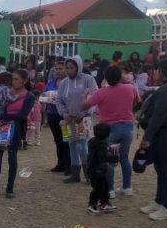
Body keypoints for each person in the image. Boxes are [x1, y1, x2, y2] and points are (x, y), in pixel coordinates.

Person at [138, 59, 167, 221]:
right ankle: (159, 201)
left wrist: (147, 138)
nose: (155, 72)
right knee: (160, 168)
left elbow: (158, 117)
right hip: (166, 132)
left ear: (165, 72)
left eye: (158, 70)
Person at [0, 70, 35, 199]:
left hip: (15, 129)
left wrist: (1, 116)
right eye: (12, 79)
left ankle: (10, 188)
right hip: (1, 127)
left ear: (25, 81)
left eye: (16, 79)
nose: (13, 82)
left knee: (12, 159)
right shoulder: (6, 91)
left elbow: (22, 115)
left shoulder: (29, 96)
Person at [83, 66, 138, 198]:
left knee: (108, 160)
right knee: (124, 158)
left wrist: (85, 96)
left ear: (105, 77)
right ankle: (127, 187)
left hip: (109, 129)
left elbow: (86, 106)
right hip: (127, 127)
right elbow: (136, 102)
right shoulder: (130, 88)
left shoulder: (102, 92)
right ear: (120, 76)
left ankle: (110, 189)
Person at [57, 55, 98, 184]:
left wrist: (84, 112)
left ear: (78, 67)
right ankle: (75, 174)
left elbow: (95, 97)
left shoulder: (88, 79)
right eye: (67, 68)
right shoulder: (64, 83)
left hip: (83, 120)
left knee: (82, 146)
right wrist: (64, 114)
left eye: (72, 68)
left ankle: (89, 174)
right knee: (71, 145)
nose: (69, 71)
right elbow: (59, 100)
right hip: (68, 120)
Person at [86, 123, 120, 215]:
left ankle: (104, 204)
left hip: (95, 169)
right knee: (98, 188)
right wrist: (115, 157)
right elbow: (103, 157)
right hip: (97, 170)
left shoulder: (93, 141)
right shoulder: (101, 144)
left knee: (104, 187)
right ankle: (91, 205)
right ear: (107, 134)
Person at [44, 61, 71, 174]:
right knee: (58, 139)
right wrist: (48, 98)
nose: (58, 71)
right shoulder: (51, 82)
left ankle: (69, 165)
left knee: (67, 139)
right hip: (52, 114)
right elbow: (44, 94)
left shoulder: (69, 82)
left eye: (61, 68)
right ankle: (60, 163)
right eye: (56, 69)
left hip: (65, 116)